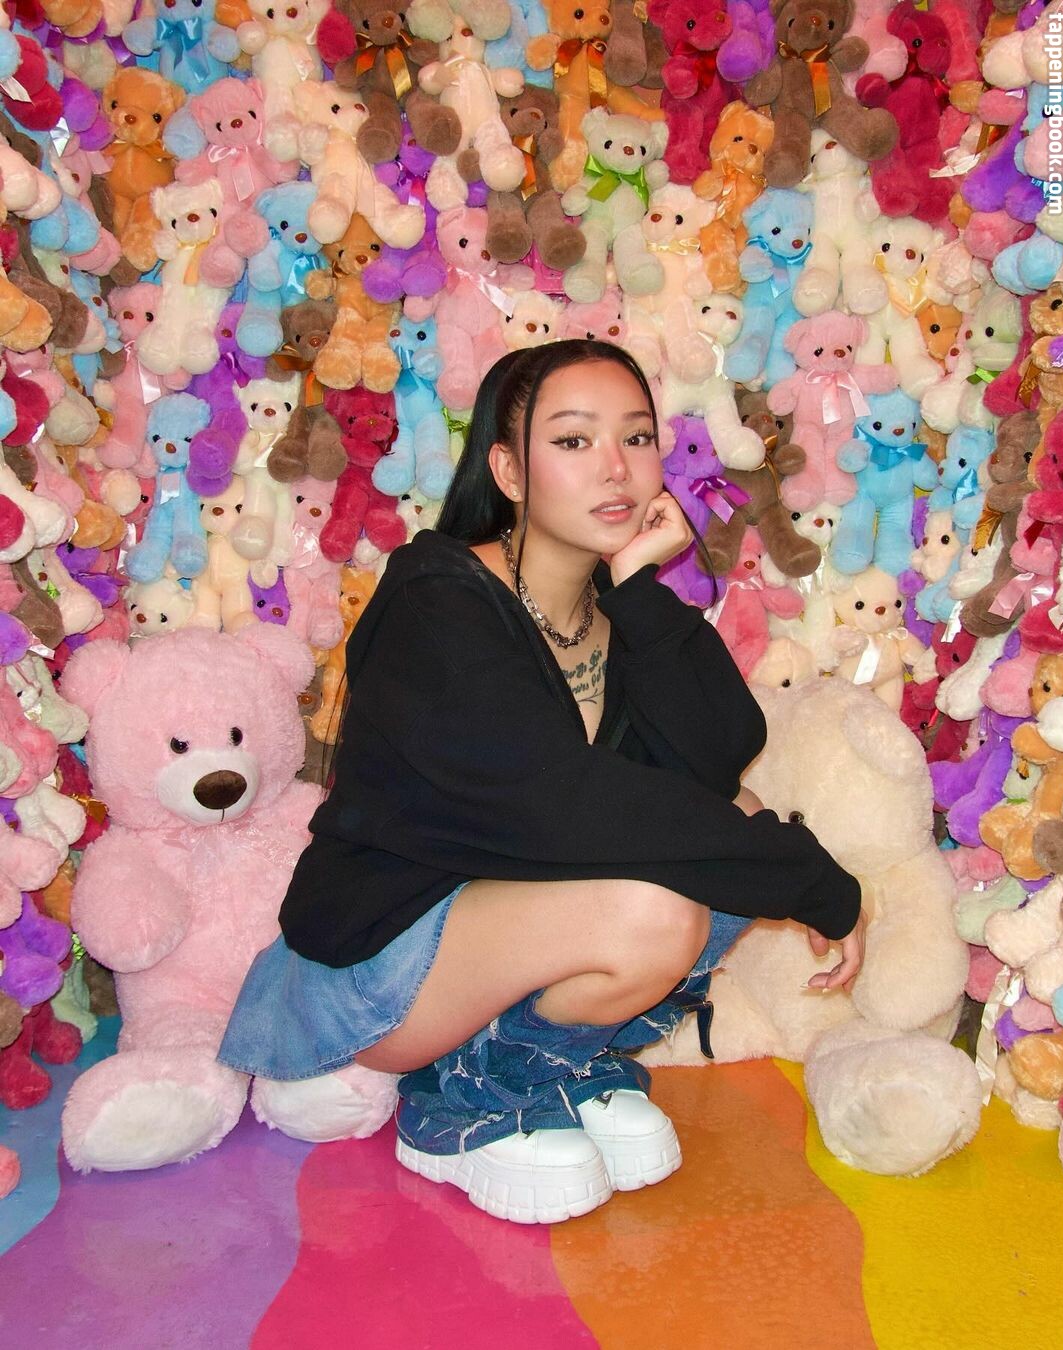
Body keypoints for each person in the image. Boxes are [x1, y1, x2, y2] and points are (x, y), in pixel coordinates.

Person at [219, 339, 865, 1225]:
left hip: (491, 947)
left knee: (731, 813)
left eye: (636, 438)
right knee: (658, 908)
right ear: (509, 472)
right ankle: (462, 1103)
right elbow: (554, 806)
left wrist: (639, 593)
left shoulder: (613, 615)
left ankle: (542, 1059)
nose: (616, 468)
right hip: (369, 974)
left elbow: (719, 757)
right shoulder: (436, 599)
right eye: (572, 440)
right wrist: (807, 877)